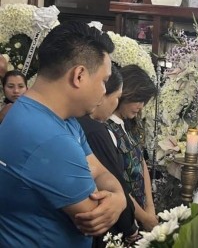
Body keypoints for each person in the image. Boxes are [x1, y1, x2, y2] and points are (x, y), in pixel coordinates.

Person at [0, 21, 127, 247]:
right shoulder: (49, 138)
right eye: (104, 81)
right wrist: (117, 199)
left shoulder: (56, 117)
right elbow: (95, 217)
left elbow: (98, 171)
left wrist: (118, 198)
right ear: (79, 75)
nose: (105, 91)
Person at [78, 65, 139, 247]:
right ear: (102, 94)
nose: (116, 104)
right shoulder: (95, 130)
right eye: (117, 98)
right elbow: (112, 177)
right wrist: (130, 228)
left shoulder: (74, 122)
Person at [107, 64, 158, 231]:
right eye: (137, 99)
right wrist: (143, 217)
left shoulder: (130, 124)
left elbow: (141, 162)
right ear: (124, 93)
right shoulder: (107, 128)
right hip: (124, 215)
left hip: (141, 210)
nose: (141, 106)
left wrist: (149, 207)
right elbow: (117, 183)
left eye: (144, 101)